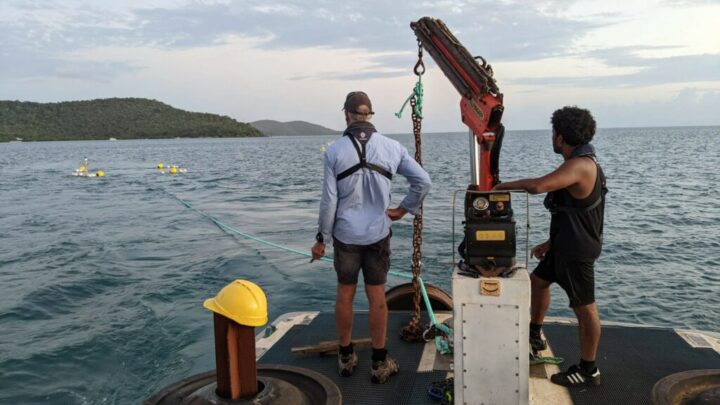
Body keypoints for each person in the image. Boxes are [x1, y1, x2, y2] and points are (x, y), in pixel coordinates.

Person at [311, 91, 431, 384]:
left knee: (345, 294)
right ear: (370, 115)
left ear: (347, 115)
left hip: (345, 235)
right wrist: (404, 209)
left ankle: (346, 357)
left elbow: (329, 201)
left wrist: (321, 238)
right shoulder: (391, 148)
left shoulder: (334, 151)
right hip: (378, 233)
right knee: (377, 296)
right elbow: (423, 181)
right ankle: (379, 362)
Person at [493, 106, 607, 387]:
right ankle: (534, 333)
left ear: (560, 136)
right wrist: (550, 243)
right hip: (564, 245)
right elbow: (572, 213)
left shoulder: (581, 165)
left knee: (585, 308)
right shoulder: (578, 161)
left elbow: (538, 186)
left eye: (553, 133)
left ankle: (588, 369)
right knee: (538, 281)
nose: (552, 138)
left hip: (577, 251)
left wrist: (500, 187)